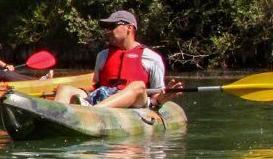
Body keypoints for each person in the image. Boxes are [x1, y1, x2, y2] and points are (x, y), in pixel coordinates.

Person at [54, 10, 182, 109]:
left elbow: (155, 95)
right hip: (104, 95)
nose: (107, 31)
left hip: (136, 101)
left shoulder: (152, 58)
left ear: (129, 28)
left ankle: (92, 111)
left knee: (138, 86)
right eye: (106, 28)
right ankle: (53, 118)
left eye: (112, 26)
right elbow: (97, 85)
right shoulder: (102, 56)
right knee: (65, 89)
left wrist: (163, 97)